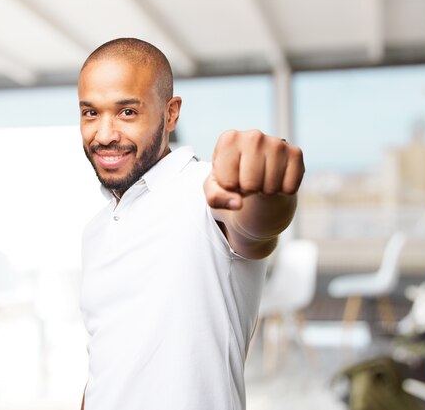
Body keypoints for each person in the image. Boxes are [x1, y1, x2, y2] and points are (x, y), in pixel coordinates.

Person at [77, 37, 305, 410]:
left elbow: (254, 224)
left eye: (127, 112)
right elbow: (104, 364)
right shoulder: (95, 231)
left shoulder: (204, 192)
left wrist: (266, 191)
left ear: (171, 113)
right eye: (90, 113)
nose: (104, 135)